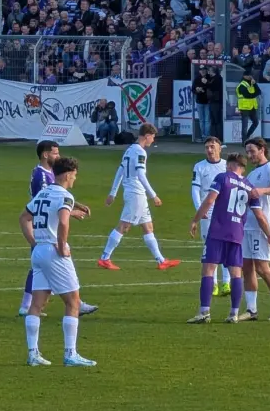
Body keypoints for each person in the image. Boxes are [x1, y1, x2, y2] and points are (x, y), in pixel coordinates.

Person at [19, 156, 97, 368]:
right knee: (73, 303)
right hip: (55, 252)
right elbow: (62, 221)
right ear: (67, 173)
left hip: (39, 251)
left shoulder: (43, 193)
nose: (75, 178)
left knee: (36, 305)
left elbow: (24, 218)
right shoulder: (65, 196)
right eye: (75, 174)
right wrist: (62, 245)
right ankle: (70, 354)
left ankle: (33, 353)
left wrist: (34, 242)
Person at [187, 152, 270, 323]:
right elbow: (259, 215)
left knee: (209, 270)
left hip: (218, 231)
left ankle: (204, 312)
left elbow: (210, 200)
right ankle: (233, 314)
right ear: (243, 167)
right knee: (236, 274)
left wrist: (195, 220)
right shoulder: (249, 187)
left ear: (230, 164)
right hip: (237, 234)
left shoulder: (222, 178)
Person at [20, 140, 98, 317]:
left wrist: (74, 205)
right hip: (44, 229)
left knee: (39, 267)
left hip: (42, 225)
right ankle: (73, 303)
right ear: (45, 154)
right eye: (55, 153)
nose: (58, 156)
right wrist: (70, 212)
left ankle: (30, 306)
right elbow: (46, 204)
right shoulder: (41, 175)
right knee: (45, 266)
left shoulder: (47, 174)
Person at [97, 123, 178, 270]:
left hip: (133, 192)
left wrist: (113, 192)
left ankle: (161, 260)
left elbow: (120, 171)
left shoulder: (129, 150)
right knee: (124, 226)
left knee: (148, 227)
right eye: (153, 137)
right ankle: (105, 257)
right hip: (136, 194)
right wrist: (153, 195)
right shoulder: (140, 152)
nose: (153, 140)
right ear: (147, 136)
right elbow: (140, 174)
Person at [238, 138, 270, 322]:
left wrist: (262, 190)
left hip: (262, 226)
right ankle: (251, 310)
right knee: (247, 268)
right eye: (247, 152)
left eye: (252, 151)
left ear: (262, 150)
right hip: (247, 226)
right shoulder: (251, 175)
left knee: (262, 268)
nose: (249, 155)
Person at [190, 138, 231, 295]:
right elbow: (195, 189)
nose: (209, 150)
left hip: (224, 209)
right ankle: (213, 283)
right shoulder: (199, 166)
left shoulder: (227, 166)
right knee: (210, 247)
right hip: (207, 209)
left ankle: (226, 283)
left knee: (226, 245)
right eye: (207, 147)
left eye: (212, 147)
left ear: (220, 148)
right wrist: (200, 210)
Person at [235, 71, 261, 144]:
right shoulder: (242, 85)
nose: (251, 76)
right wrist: (255, 94)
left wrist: (255, 84)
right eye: (249, 75)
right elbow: (248, 95)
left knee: (256, 122)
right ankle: (244, 141)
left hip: (252, 107)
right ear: (245, 76)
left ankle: (247, 137)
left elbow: (259, 91)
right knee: (245, 125)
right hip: (244, 107)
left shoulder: (251, 84)